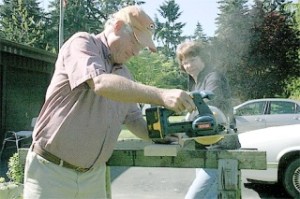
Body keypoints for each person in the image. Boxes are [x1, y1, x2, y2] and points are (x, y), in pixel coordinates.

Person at [23, 6, 196, 199]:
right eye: (136, 43)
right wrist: (161, 95)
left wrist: (163, 134)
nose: (136, 53)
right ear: (118, 26)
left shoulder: (124, 75)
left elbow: (135, 120)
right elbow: (100, 82)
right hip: (52, 172)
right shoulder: (82, 43)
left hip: (93, 176)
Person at [176, 40, 241, 199]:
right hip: (206, 148)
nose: (189, 66)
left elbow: (210, 106)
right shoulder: (194, 82)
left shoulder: (214, 77)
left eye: (193, 60)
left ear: (203, 58)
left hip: (222, 150)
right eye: (185, 62)